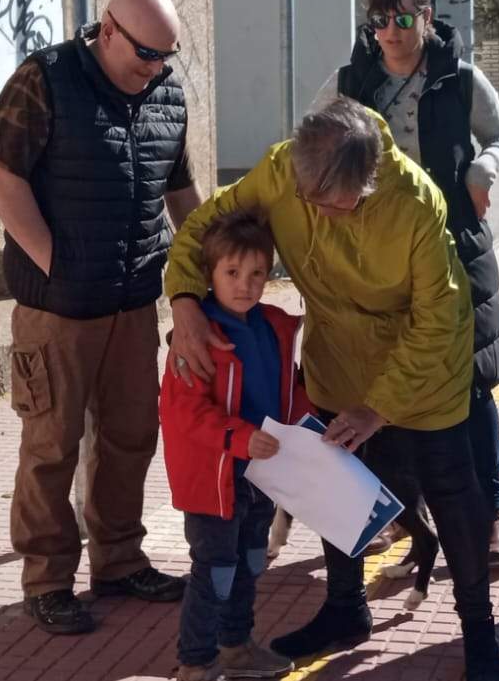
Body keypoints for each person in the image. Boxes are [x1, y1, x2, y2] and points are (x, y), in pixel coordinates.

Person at [164, 100, 499, 681]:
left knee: (452, 493)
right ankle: (345, 608)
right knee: (335, 486)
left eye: (333, 204)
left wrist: (380, 408)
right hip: (336, 359)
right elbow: (203, 228)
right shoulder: (282, 171)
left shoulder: (418, 204)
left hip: (424, 372)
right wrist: (185, 300)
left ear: (368, 186)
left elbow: (437, 322)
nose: (315, 212)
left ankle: (479, 631)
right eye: (306, 200)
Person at [0, 0, 199, 634]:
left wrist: (208, 262)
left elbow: (178, 188)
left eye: (166, 56)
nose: (155, 68)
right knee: (52, 445)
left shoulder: (165, 94)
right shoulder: (45, 79)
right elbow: (1, 174)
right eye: (145, 53)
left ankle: (120, 560)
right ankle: (47, 580)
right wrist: (53, 262)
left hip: (133, 306)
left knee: (131, 437)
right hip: (58, 312)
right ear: (108, 31)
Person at [312, 0, 499, 562]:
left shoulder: (460, 80)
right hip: (377, 258)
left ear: (428, 17)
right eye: (379, 21)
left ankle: (491, 514)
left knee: (472, 385)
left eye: (404, 19)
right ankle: (402, 513)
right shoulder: (351, 83)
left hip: (456, 247)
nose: (391, 33)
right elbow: (307, 142)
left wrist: (484, 170)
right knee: (384, 385)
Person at [160, 208, 305, 681]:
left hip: (261, 475)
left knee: (251, 564)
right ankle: (195, 664)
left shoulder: (275, 327)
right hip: (215, 480)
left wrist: (313, 427)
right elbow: (186, 413)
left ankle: (238, 647)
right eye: (232, 272)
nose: (245, 284)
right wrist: (240, 438)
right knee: (214, 572)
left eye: (257, 273)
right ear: (209, 274)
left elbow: (291, 389)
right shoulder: (197, 334)